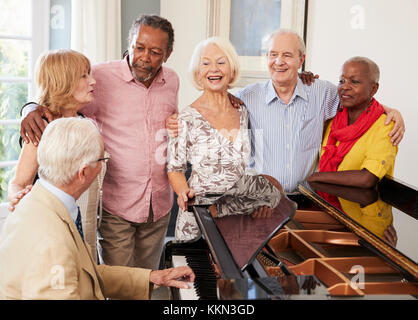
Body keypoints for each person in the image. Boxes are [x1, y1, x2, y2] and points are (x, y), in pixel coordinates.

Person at [166, 29, 405, 195]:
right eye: (273, 55)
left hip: (308, 202)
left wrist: (390, 110)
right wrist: (177, 120)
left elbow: (356, 98)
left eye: (287, 55)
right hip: (261, 203)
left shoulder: (322, 92)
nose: (279, 62)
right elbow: (212, 103)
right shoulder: (245, 97)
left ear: (301, 60)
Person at [0, 117, 194, 300]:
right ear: (83, 172)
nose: (103, 166)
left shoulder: (40, 200)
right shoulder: (51, 243)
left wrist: (153, 277)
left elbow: (86, 273)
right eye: (102, 160)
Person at [167, 37, 281, 241]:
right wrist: (183, 192)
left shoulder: (242, 110)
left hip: (239, 217)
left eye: (221, 62)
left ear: (231, 69)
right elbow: (175, 169)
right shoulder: (185, 118)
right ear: (198, 71)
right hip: (200, 217)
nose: (214, 69)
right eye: (206, 63)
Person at [7, 49, 104, 262]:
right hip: (52, 236)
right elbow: (17, 183)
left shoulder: (84, 122)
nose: (93, 81)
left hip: (86, 234)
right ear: (64, 81)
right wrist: (17, 197)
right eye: (84, 76)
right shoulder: (41, 127)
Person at [307, 57, 398, 238]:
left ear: (373, 89)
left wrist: (314, 177)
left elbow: (367, 178)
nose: (344, 86)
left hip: (368, 224)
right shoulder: (333, 120)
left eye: (354, 82)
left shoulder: (386, 126)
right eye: (342, 81)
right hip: (331, 212)